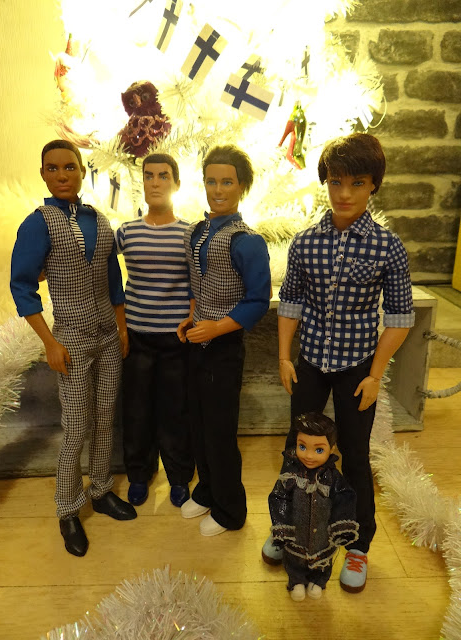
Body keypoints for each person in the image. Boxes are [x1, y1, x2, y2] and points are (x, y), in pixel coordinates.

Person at [262, 133, 415, 592]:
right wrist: (285, 356)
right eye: (335, 182)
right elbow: (290, 302)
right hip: (310, 360)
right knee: (297, 446)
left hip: (357, 366)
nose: (344, 193)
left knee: (355, 452)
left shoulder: (387, 247)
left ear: (373, 185)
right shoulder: (306, 242)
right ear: (326, 182)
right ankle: (287, 526)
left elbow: (400, 317)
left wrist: (375, 374)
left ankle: (358, 544)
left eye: (357, 183)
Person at [10, 139, 136, 558]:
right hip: (71, 338)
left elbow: (113, 277)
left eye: (70, 167)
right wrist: (49, 342)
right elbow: (22, 286)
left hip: (107, 334)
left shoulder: (97, 218)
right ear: (43, 173)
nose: (62, 175)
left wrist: (121, 327)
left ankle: (100, 489)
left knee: (105, 417)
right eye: (53, 168)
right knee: (77, 426)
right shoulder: (38, 223)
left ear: (83, 171)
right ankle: (67, 508)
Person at [177, 145, 271, 537]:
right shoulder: (196, 232)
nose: (218, 190)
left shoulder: (246, 241)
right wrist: (193, 316)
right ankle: (207, 489)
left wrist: (216, 328)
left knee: (219, 431)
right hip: (195, 341)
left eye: (227, 182)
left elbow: (258, 300)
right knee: (197, 424)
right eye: (212, 181)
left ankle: (231, 509)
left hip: (223, 347)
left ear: (242, 187)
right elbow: (197, 283)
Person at [116, 153, 194, 508]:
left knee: (175, 410)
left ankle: (178, 475)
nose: (156, 182)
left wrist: (192, 315)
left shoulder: (189, 233)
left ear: (176, 183)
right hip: (137, 336)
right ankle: (138, 473)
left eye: (164, 175)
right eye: (149, 175)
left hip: (176, 338)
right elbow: (100, 267)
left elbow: (198, 282)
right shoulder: (127, 232)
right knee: (136, 410)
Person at [269, 412, 358, 601]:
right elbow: (278, 497)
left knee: (323, 561)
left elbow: (345, 498)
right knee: (294, 560)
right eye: (302, 447)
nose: (309, 456)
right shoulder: (290, 476)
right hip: (297, 533)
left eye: (318, 450)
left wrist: (341, 526)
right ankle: (296, 581)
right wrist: (282, 525)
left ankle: (319, 581)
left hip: (322, 536)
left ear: (331, 449)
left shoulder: (333, 479)